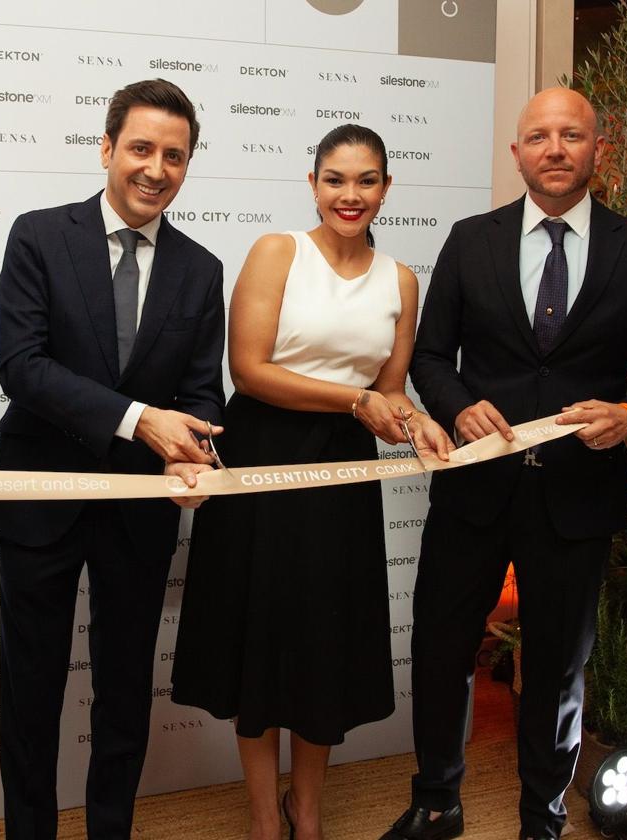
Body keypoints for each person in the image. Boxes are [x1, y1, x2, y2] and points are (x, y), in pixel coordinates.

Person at [379, 87, 627, 840]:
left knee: (556, 667)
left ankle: (541, 818)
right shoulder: (470, 240)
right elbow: (430, 356)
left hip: (578, 497)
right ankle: (436, 802)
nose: (555, 149)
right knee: (440, 650)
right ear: (516, 152)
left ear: (598, 150)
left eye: (571, 135)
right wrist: (458, 407)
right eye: (540, 136)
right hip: (475, 490)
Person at [170, 124, 451, 840]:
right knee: (257, 638)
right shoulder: (278, 251)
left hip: (344, 473)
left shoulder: (401, 280)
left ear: (386, 188)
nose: (349, 195)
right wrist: (355, 401)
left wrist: (415, 421)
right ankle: (266, 814)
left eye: (365, 181)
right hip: (262, 455)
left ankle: (310, 810)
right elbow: (249, 370)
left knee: (324, 643)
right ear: (313, 184)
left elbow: (390, 390)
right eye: (335, 179)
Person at [0, 78, 225, 840]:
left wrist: (193, 455)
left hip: (140, 510)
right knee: (30, 691)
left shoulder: (201, 268)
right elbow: (22, 365)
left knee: (123, 692)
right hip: (38, 496)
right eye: (141, 148)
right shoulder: (38, 235)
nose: (156, 169)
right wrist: (141, 421)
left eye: (174, 156)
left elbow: (201, 393)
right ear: (108, 147)